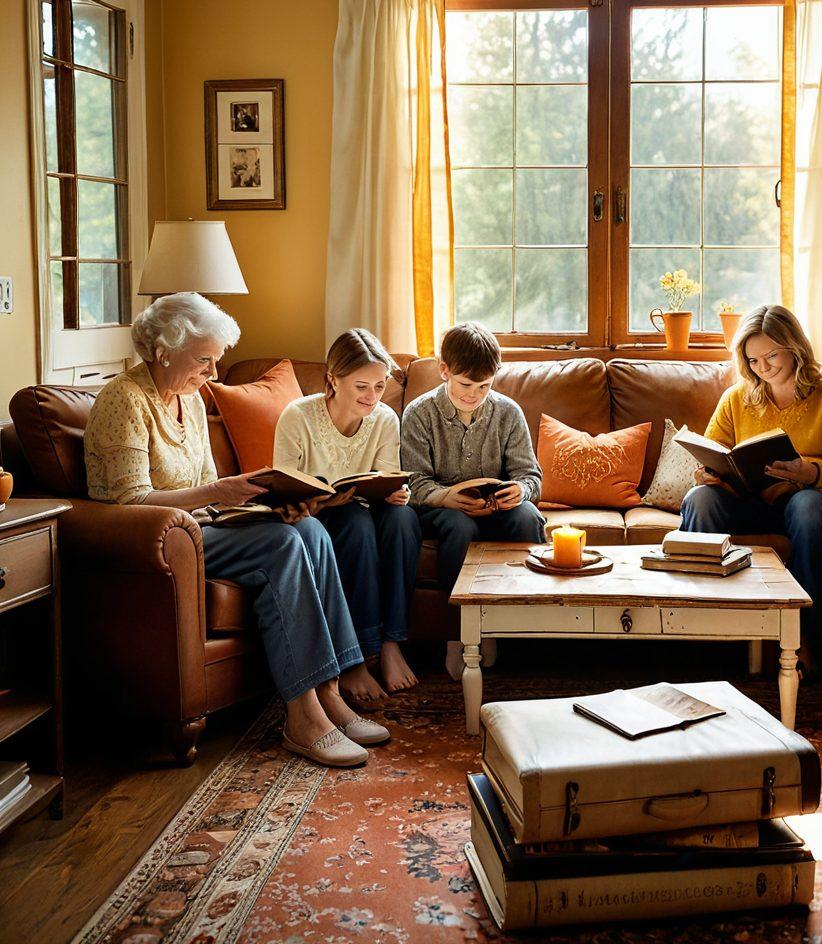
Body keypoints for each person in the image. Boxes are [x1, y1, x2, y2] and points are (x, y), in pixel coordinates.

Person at [84, 293, 389, 768]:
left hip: (204, 525)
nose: (211, 373)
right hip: (157, 538)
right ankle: (303, 717)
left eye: (215, 361)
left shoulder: (189, 395)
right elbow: (131, 501)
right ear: (165, 349)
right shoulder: (123, 398)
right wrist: (219, 494)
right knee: (285, 545)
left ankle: (331, 694)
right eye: (203, 360)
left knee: (310, 531)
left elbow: (207, 486)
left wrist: (267, 502)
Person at [678, 304, 822, 671]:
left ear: (794, 348)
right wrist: (708, 473)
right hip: (747, 501)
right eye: (752, 360)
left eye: (771, 356)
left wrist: (809, 472)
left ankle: (804, 638)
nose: (762, 368)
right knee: (699, 499)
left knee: (808, 507)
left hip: (804, 502)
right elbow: (713, 452)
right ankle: (698, 630)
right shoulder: (737, 398)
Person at [273, 329, 422, 703]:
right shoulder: (298, 417)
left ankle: (391, 643)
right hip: (318, 517)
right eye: (361, 387)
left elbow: (385, 478)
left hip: (364, 508)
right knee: (355, 524)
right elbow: (282, 488)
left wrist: (396, 493)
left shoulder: (385, 419)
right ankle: (357, 658)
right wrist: (314, 501)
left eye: (379, 386)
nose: (372, 397)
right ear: (332, 379)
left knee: (404, 520)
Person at [401, 323, 546, 675]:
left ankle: (523, 628)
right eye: (466, 384)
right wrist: (447, 497)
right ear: (444, 370)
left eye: (484, 386)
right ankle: (459, 634)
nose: (474, 394)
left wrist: (520, 491)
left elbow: (531, 477)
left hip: (496, 509)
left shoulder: (507, 412)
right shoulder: (419, 414)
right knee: (458, 524)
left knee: (527, 516)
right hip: (442, 512)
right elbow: (413, 484)